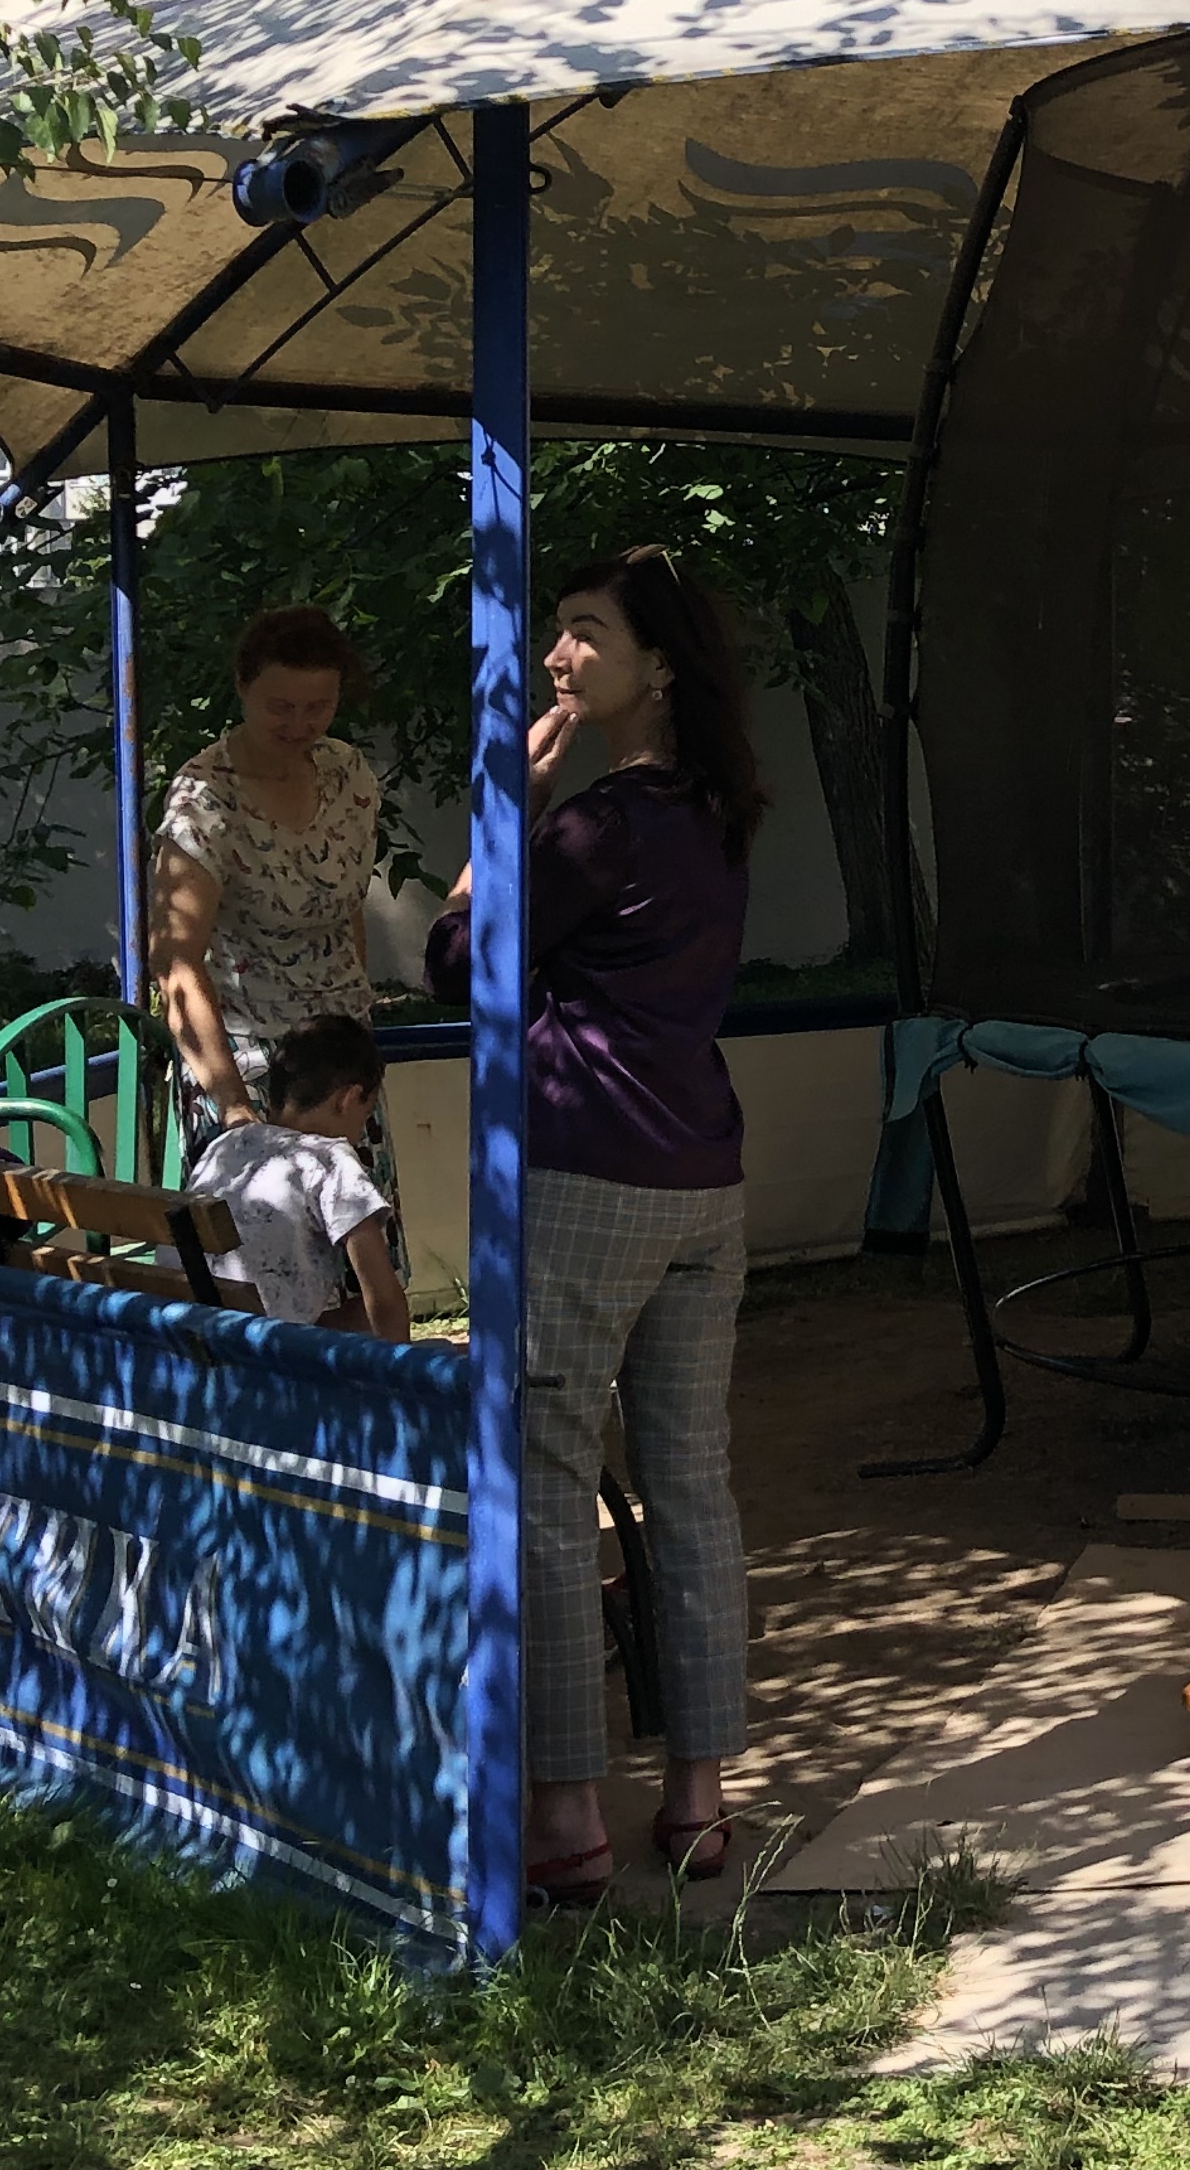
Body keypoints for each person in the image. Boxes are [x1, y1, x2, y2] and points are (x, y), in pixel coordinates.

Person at [429, 545, 764, 1910]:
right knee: (690, 1488)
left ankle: (565, 1811)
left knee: (550, 1495)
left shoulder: (597, 827)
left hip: (585, 1185)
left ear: (656, 668)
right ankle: (697, 1798)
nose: (557, 657)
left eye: (582, 634)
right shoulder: (726, 813)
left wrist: (507, 806)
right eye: (555, 633)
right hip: (707, 1181)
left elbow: (461, 964)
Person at [153, 605, 389, 1152]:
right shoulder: (205, 799)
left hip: (344, 1069)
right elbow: (175, 962)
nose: (300, 725)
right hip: (248, 1068)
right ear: (242, 686)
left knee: (360, 1234)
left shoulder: (348, 772)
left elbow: (346, 909)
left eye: (319, 707)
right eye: (281, 707)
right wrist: (235, 1106)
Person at [184, 1011, 410, 1336]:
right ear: (347, 1100)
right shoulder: (330, 1160)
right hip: (266, 1357)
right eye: (365, 1111)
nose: (361, 1129)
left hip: (196, 1337)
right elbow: (383, 1297)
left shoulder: (226, 1146)